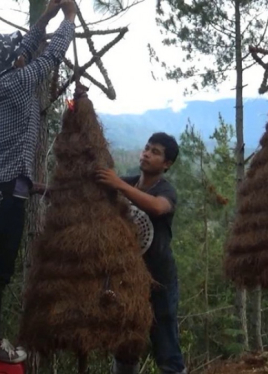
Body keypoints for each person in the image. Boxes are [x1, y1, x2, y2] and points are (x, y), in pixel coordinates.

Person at [0, 0, 77, 363]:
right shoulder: (18, 82)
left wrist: (45, 16)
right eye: (14, 53)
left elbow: (25, 49)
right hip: (2, 198)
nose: (21, 54)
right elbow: (52, 56)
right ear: (8, 63)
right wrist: (69, 18)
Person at [96, 132, 188, 374]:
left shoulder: (166, 190)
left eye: (155, 152)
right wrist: (42, 189)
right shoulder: (130, 182)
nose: (146, 153)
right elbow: (90, 190)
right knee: (126, 342)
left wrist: (118, 185)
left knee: (165, 342)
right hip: (128, 279)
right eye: (147, 148)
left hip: (160, 281)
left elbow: (158, 207)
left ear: (167, 164)